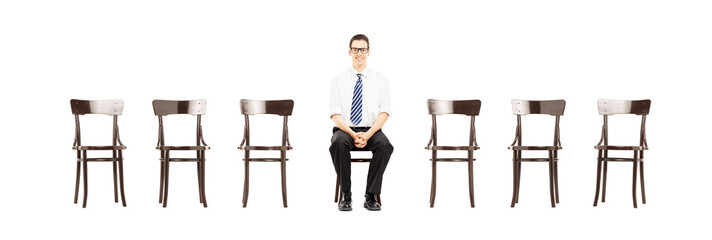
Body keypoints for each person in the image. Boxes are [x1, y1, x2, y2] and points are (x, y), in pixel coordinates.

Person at [329, 34, 394, 211]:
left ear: (369, 52)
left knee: (385, 145)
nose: (359, 53)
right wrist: (352, 133)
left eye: (363, 49)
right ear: (349, 52)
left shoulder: (380, 79)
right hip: (345, 129)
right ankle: (346, 194)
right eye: (355, 49)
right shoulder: (338, 79)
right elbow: (335, 114)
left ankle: (371, 195)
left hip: (371, 129)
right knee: (339, 142)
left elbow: (384, 112)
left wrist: (368, 134)